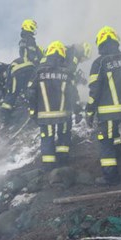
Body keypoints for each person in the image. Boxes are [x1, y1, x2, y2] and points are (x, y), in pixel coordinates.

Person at [86, 26, 121, 186]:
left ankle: (111, 177)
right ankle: (120, 155)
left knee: (105, 140)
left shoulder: (100, 62)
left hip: (108, 110)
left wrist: (89, 111)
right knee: (114, 130)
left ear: (100, 43)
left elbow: (94, 90)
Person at [27, 41, 82, 169]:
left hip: (45, 114)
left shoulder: (38, 72)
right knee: (64, 134)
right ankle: (63, 162)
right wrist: (77, 111)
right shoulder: (67, 73)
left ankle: (48, 166)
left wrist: (32, 111)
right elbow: (74, 93)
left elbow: (31, 93)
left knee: (47, 137)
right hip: (64, 113)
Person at [1, 19, 43, 118]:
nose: (34, 29)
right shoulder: (30, 40)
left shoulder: (23, 40)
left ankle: (7, 113)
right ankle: (5, 115)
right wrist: (38, 65)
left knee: (15, 90)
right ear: (29, 26)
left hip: (19, 69)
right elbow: (32, 57)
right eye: (33, 27)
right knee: (22, 89)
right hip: (25, 69)